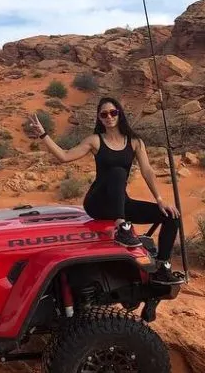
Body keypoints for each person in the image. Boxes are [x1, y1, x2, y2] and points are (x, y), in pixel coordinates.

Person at [26, 96, 183, 283]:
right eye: (104, 114)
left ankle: (162, 267)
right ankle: (122, 229)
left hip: (120, 203)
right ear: (99, 118)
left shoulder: (135, 142)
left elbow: (147, 171)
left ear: (119, 114)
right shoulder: (95, 141)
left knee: (172, 217)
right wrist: (44, 135)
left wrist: (159, 199)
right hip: (98, 202)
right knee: (117, 172)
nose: (109, 117)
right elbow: (64, 156)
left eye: (113, 112)